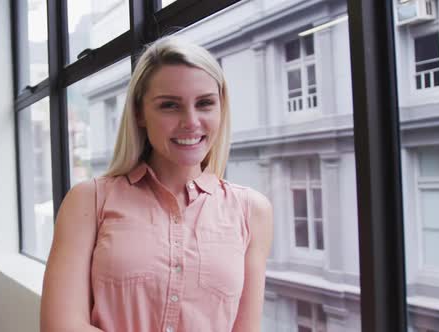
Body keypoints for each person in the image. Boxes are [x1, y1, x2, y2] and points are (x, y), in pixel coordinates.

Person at [40, 36, 273, 332]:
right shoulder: (88, 201)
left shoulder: (252, 211)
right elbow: (60, 326)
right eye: (169, 106)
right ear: (139, 113)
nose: (191, 121)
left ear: (220, 109)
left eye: (204, 104)